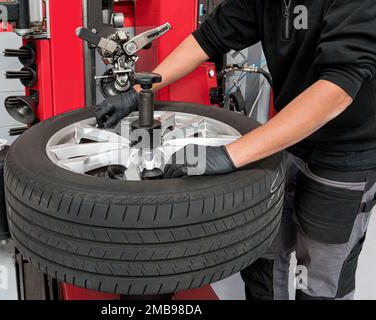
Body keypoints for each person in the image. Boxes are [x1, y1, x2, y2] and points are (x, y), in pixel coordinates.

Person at [94, 0, 376, 300]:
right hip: (288, 139)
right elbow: (210, 38)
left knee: (319, 278)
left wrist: (231, 155)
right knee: (263, 253)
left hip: (345, 155)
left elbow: (338, 88)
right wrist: (138, 93)